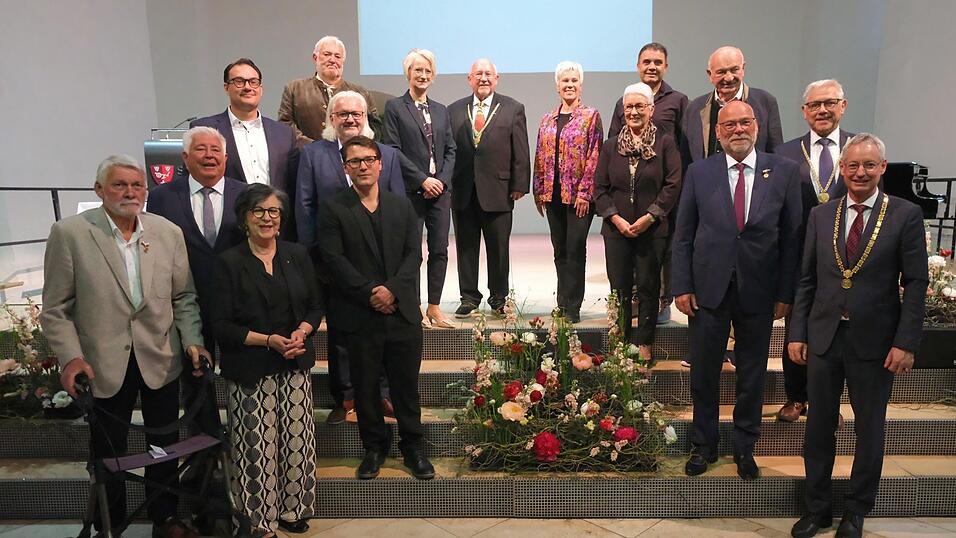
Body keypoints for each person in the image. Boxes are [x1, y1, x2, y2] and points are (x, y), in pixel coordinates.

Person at [40, 155, 208, 538]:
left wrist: (193, 340)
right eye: (119, 185)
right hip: (100, 362)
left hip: (160, 356)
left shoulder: (167, 232)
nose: (130, 192)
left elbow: (184, 296)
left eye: (137, 185)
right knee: (108, 452)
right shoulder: (70, 233)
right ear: (99, 190)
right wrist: (71, 358)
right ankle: (109, 524)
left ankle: (164, 518)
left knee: (163, 445)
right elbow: (55, 309)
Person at [788, 134, 928, 538]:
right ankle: (818, 508)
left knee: (869, 429)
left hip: (877, 343)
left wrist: (906, 342)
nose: (860, 173)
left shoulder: (904, 215)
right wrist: (797, 332)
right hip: (825, 337)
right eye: (852, 165)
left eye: (869, 165)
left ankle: (856, 510)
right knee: (818, 428)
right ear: (842, 169)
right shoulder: (822, 215)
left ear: (883, 168)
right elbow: (807, 279)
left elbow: (916, 283)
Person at [671, 101, 802, 480]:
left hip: (760, 293)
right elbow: (684, 236)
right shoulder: (699, 172)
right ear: (717, 132)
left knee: (752, 375)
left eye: (744, 122)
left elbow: (792, 239)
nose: (737, 130)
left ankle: (745, 447)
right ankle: (703, 446)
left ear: (757, 126)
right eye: (728, 125)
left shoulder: (784, 172)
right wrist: (682, 285)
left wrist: (785, 293)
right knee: (704, 375)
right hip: (708, 291)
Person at [318, 136, 433, 481]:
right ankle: (374, 448)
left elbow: (414, 254)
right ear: (346, 168)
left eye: (369, 159)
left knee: (405, 386)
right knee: (366, 387)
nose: (363, 166)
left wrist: (392, 291)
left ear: (381, 163)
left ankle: (413, 447)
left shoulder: (402, 206)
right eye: (355, 161)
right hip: (359, 313)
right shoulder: (334, 208)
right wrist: (370, 292)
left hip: (401, 312)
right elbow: (333, 260)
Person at [146, 127, 246, 517]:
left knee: (241, 376)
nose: (209, 156)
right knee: (195, 382)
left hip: (238, 309)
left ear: (225, 157)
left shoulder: (245, 193)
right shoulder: (160, 197)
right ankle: (205, 454)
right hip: (184, 307)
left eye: (215, 150)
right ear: (184, 159)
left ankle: (244, 447)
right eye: (200, 150)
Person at [211, 183, 320, 537]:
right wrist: (269, 341)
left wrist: (301, 332)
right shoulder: (229, 262)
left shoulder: (296, 254)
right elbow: (221, 324)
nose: (267, 218)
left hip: (295, 362)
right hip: (250, 368)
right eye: (259, 211)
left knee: (296, 440)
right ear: (244, 217)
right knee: (256, 447)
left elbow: (315, 306)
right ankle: (257, 520)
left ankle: (292, 510)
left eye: (273, 211)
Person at [296, 90, 402, 425]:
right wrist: (317, 258)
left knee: (383, 331)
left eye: (356, 113)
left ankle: (383, 393)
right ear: (331, 118)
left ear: (366, 117)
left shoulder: (387, 155)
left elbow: (398, 208)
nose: (350, 119)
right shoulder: (313, 154)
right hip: (332, 263)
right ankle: (346, 396)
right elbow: (305, 206)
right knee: (340, 333)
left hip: (381, 263)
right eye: (342, 114)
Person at [774, 79, 855, 422]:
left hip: (848, 258)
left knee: (838, 330)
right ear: (804, 111)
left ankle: (829, 402)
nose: (822, 110)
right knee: (797, 325)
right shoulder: (786, 153)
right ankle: (796, 396)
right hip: (798, 255)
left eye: (830, 103)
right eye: (815, 105)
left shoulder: (859, 149)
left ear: (843, 105)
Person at [594, 83, 681, 354]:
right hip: (616, 229)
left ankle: (644, 342)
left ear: (651, 109)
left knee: (648, 286)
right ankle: (620, 343)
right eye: (628, 106)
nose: (633, 111)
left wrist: (650, 217)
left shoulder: (665, 143)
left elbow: (673, 183)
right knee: (619, 288)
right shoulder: (610, 147)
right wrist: (616, 219)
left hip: (651, 229)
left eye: (639, 106)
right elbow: (600, 189)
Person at [608, 43, 689, 326]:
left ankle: (661, 303)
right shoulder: (624, 100)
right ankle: (632, 303)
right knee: (627, 260)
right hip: (628, 193)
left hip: (662, 191)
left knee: (661, 254)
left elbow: (683, 146)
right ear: (638, 65)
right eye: (646, 61)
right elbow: (613, 143)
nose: (651, 66)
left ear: (665, 66)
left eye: (657, 61)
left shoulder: (678, 100)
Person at [448, 58, 531, 317]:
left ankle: (499, 298)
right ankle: (469, 297)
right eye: (478, 74)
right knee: (466, 247)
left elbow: (521, 149)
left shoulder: (513, 108)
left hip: (499, 191)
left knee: (498, 248)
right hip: (463, 191)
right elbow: (449, 151)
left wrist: (519, 184)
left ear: (497, 79)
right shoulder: (453, 110)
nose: (483, 78)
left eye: (488, 74)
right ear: (469, 79)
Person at [384, 49, 457, 328]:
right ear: (408, 73)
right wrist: (422, 180)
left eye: (427, 71)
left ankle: (435, 307)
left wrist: (441, 181)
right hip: (410, 193)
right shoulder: (394, 107)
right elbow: (392, 149)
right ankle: (412, 306)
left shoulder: (441, 110)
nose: (423, 75)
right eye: (418, 70)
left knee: (439, 249)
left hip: (440, 193)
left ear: (433, 75)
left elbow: (451, 149)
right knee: (412, 252)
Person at [531, 61, 603, 323]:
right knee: (559, 249)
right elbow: (540, 154)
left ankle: (573, 305)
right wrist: (539, 190)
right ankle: (562, 302)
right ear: (557, 86)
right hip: (553, 195)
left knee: (575, 249)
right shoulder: (547, 119)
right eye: (565, 81)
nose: (569, 85)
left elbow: (595, 155)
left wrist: (585, 193)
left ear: (580, 86)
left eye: (574, 80)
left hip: (579, 197)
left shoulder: (590, 116)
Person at [681, 46, 783, 164]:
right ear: (710, 74)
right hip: (706, 181)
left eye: (734, 70)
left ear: (743, 69)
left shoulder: (765, 102)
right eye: (721, 72)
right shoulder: (694, 108)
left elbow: (776, 153)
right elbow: (685, 159)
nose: (729, 78)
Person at [278, 36, 381, 147]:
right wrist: (314, 149)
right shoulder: (295, 89)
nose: (332, 60)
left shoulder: (360, 92)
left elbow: (375, 129)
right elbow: (285, 126)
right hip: (305, 157)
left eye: (337, 56)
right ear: (315, 57)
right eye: (327, 54)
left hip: (351, 159)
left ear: (343, 61)